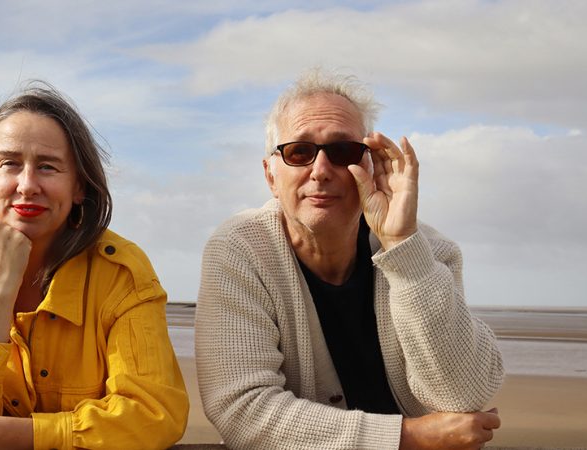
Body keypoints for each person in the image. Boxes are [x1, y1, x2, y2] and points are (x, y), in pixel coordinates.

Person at [195, 68, 504, 450]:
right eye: (299, 152)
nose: (321, 171)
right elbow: (242, 410)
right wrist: (407, 438)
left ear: (372, 165)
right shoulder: (241, 249)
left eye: (342, 152)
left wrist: (402, 246)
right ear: (271, 176)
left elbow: (464, 394)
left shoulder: (429, 251)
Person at [0, 81, 189, 450]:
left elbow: (154, 415)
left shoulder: (121, 274)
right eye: (9, 164)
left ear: (79, 187)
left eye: (48, 167)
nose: (26, 185)